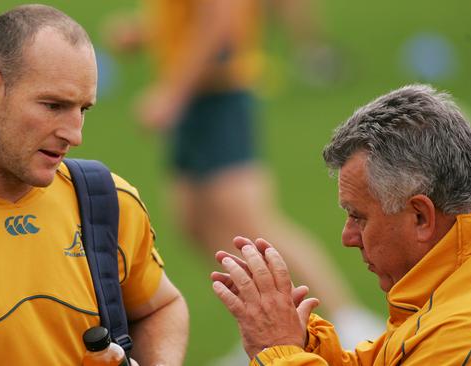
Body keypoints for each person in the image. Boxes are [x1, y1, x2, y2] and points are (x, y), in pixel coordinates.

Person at [0, 5, 188, 365]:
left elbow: (160, 307)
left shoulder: (107, 202)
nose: (74, 134)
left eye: (83, 109)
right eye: (54, 106)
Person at [104, 0, 382, 355]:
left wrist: (174, 93)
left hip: (218, 95)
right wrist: (147, 33)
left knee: (254, 225)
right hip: (198, 99)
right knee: (194, 221)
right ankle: (263, 321)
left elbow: (223, 23)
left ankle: (349, 322)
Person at [211, 84, 471, 365]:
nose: (348, 237)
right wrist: (304, 342)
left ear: (420, 217)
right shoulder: (459, 284)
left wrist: (278, 350)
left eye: (358, 217)